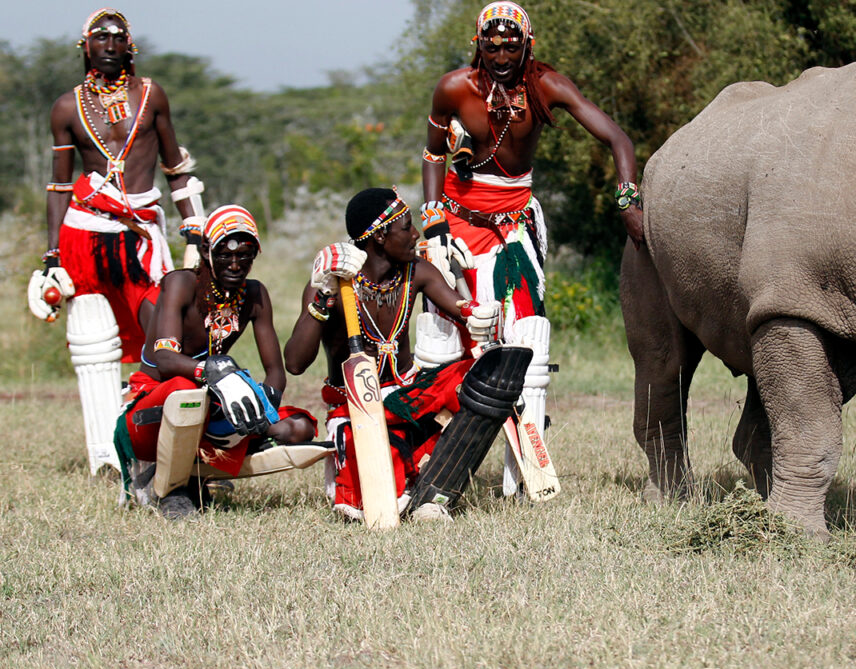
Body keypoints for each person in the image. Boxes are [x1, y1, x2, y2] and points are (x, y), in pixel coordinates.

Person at [418, 1, 644, 495]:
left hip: (515, 228)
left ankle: (522, 479)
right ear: (478, 43)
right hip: (455, 226)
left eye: (512, 43)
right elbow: (434, 154)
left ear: (528, 44)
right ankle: (426, 465)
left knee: (528, 343)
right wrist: (433, 220)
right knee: (440, 345)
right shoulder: (454, 88)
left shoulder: (546, 86)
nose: (501, 53)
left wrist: (628, 199)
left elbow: (617, 139)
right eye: (492, 44)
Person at [27, 8, 209, 476]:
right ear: (84, 46)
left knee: (165, 334)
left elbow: (175, 168)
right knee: (93, 344)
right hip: (84, 235)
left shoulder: (150, 96)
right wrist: (51, 257)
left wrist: (195, 227)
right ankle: (105, 458)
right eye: (99, 36)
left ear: (131, 44)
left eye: (118, 36)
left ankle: (151, 445)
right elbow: (60, 188)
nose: (109, 43)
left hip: (141, 236)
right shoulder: (67, 108)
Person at [285, 187, 521, 523]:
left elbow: (460, 307)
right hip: (356, 409)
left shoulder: (416, 272)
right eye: (406, 227)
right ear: (380, 236)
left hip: (408, 396)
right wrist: (322, 299)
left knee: (480, 376)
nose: (415, 234)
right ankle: (407, 480)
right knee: (374, 486)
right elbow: (294, 363)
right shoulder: (334, 282)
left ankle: (435, 494)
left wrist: (479, 313)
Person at [114, 205, 316, 519]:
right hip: (155, 406)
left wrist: (266, 407)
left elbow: (275, 370)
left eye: (245, 255)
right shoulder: (181, 284)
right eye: (225, 254)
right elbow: (164, 359)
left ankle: (209, 464)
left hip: (212, 402)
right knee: (184, 390)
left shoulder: (254, 294)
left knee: (300, 427)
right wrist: (209, 370)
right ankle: (171, 485)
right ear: (207, 250)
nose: (235, 265)